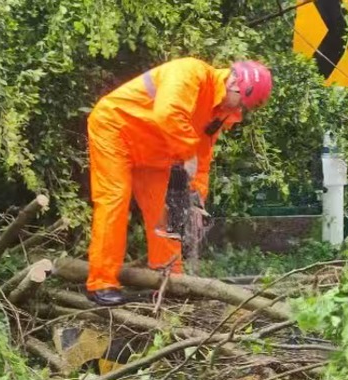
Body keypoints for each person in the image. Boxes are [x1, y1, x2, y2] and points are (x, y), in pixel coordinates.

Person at [85, 57, 273, 306]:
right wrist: (187, 152)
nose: (240, 112)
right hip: (115, 129)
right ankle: (101, 282)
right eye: (243, 104)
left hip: (154, 151)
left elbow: (203, 154)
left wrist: (195, 198)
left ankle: (169, 278)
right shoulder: (190, 73)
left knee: (168, 213)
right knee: (114, 201)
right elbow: (168, 113)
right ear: (236, 86)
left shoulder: (220, 111)